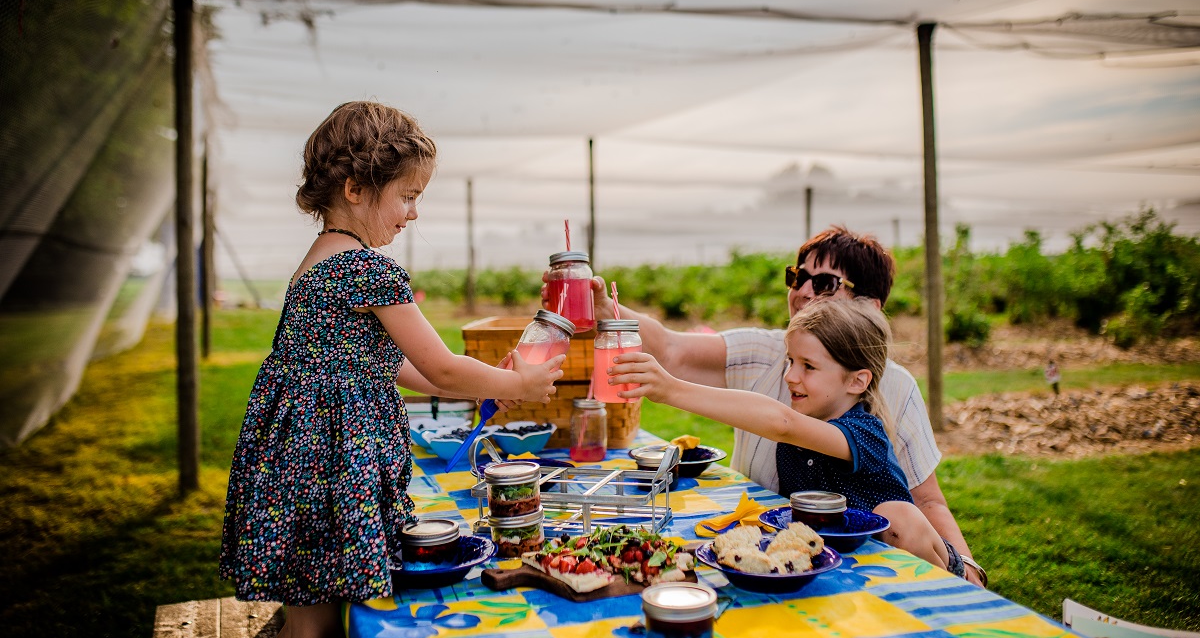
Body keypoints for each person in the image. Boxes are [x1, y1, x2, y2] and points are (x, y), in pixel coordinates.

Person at [220, 101, 564, 638]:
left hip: (296, 461)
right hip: (331, 465)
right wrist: (517, 382)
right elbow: (443, 367)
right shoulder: (368, 270)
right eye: (407, 196)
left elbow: (394, 366)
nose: (414, 213)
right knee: (317, 625)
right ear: (355, 189)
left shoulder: (316, 261)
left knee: (311, 611)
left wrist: (486, 387)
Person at [547, 225, 986, 587]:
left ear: (870, 308)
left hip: (888, 557)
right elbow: (672, 348)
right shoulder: (770, 350)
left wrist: (968, 574)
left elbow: (782, 424)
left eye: (826, 283)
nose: (802, 291)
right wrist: (608, 309)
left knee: (898, 515)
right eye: (798, 277)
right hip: (814, 559)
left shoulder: (877, 411)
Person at [611, 298, 953, 572]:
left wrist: (671, 389)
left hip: (905, 558)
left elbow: (782, 423)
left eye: (808, 366)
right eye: (790, 361)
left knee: (900, 516)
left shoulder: (865, 434)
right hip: (841, 566)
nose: (790, 376)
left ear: (856, 381)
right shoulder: (794, 444)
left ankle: (950, 599)